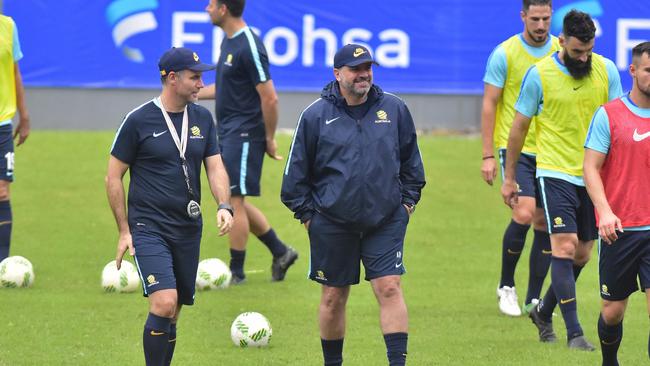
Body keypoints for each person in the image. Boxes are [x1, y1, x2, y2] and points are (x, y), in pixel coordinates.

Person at [281, 44, 426, 366]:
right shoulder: (315, 116)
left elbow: (412, 166)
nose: (364, 75)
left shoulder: (395, 109)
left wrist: (406, 206)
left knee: (389, 287)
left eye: (367, 68)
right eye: (355, 69)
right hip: (331, 223)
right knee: (333, 297)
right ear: (337, 74)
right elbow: (294, 179)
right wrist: (310, 218)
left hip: (386, 220)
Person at [501, 10, 622, 350]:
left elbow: (617, 123)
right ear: (561, 42)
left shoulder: (606, 70)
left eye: (588, 51)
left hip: (593, 175)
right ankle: (574, 333)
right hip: (553, 171)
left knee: (582, 254)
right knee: (564, 246)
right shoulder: (539, 75)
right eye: (577, 51)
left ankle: (543, 310)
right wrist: (510, 177)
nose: (583, 58)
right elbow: (519, 128)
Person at [105, 47, 234, 366]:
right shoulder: (138, 120)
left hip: (188, 227)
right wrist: (124, 231)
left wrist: (224, 204)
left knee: (173, 312)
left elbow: (215, 166)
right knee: (164, 302)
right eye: (195, 77)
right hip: (149, 228)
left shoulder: (203, 117)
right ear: (172, 78)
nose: (201, 84)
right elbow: (112, 177)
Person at [200, 0, 298, 284]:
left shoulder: (249, 45)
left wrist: (268, 137)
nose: (206, 8)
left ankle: (237, 273)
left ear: (224, 9)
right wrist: (191, 94)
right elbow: (226, 87)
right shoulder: (228, 42)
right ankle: (281, 252)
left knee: (231, 199)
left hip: (245, 134)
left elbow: (270, 96)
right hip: (229, 132)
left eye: (211, 3)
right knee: (233, 199)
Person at [481, 0, 559, 317]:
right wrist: (488, 155)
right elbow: (490, 103)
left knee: (543, 221)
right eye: (535, 18)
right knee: (525, 212)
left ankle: (534, 299)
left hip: (552, 150)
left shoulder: (561, 51)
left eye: (546, 19)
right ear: (523, 17)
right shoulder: (505, 53)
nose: (541, 25)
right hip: (515, 148)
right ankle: (506, 286)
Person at [583, 41, 650, 366]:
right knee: (612, 312)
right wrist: (605, 212)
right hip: (619, 230)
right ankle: (610, 361)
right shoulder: (609, 115)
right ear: (634, 71)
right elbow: (590, 168)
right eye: (649, 70)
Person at [0, 15, 30, 261]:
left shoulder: (8, 26)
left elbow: (15, 72)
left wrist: (25, 115)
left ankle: (2, 264)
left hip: (2, 124)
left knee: (2, 191)